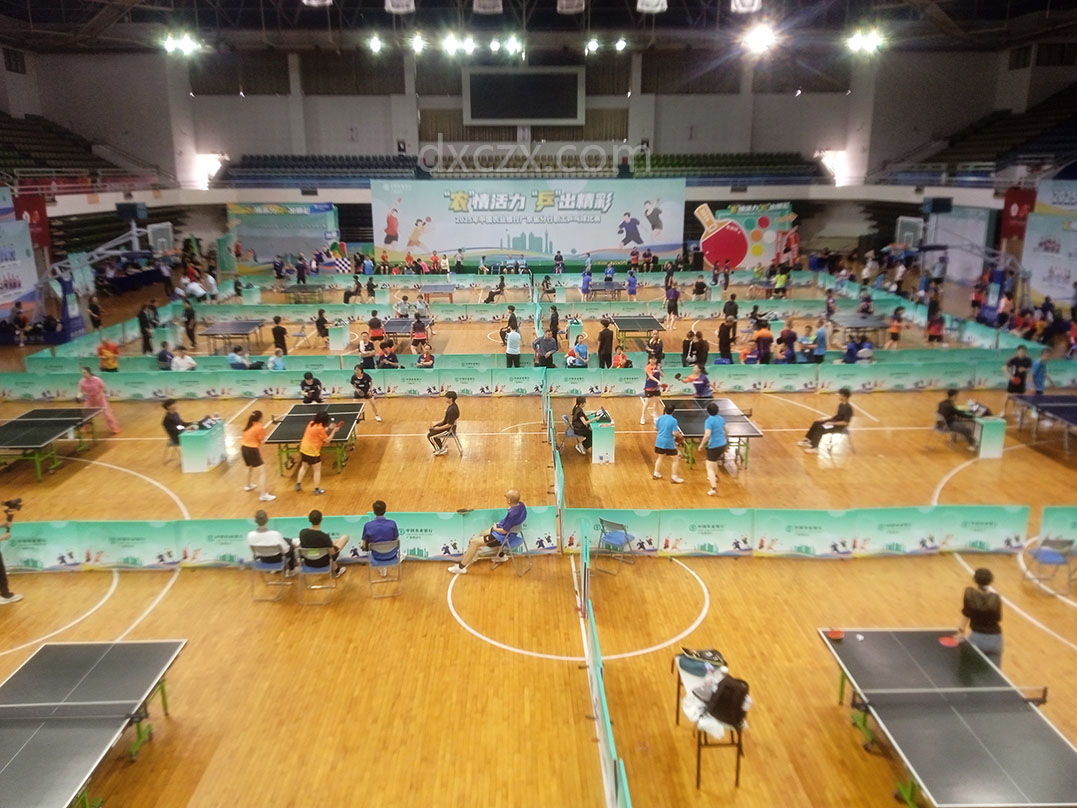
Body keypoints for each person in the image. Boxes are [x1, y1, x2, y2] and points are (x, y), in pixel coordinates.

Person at [448, 489, 527, 574]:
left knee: (473, 543)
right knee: (483, 533)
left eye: (506, 497)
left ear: (509, 500)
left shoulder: (512, 515)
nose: (505, 498)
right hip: (511, 532)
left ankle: (461, 567)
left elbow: (504, 531)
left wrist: (495, 528)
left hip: (501, 536)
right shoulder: (521, 505)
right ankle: (501, 556)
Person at [956, 567, 1003, 664]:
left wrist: (961, 631)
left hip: (977, 639)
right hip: (996, 640)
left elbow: (966, 614)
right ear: (991, 581)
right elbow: (998, 618)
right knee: (993, 672)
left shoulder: (969, 594)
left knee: (969, 669)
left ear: (975, 580)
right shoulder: (996, 598)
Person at [295, 411, 341, 495]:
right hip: (312, 452)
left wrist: (329, 428)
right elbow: (327, 440)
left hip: (303, 449)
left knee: (304, 466)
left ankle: (298, 484)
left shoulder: (311, 423)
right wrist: (334, 431)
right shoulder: (320, 429)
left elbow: (318, 431)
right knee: (317, 470)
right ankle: (317, 489)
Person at [798, 387, 853, 453]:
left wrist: (832, 423)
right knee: (817, 423)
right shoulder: (841, 405)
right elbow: (837, 416)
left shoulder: (848, 408)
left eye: (840, 395)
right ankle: (809, 440)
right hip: (834, 422)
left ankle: (815, 447)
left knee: (821, 427)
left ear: (844, 396)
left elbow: (845, 423)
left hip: (839, 427)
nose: (838, 396)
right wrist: (826, 419)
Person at [299, 510, 349, 577]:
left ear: (309, 519)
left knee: (333, 542)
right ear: (321, 519)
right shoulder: (324, 537)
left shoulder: (302, 533)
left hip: (308, 562)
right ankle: (336, 569)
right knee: (345, 537)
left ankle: (336, 569)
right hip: (323, 563)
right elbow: (333, 553)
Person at [241, 411, 276, 501]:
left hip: (244, 448)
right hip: (252, 450)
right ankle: (263, 495)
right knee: (263, 472)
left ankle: (247, 485)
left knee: (249, 467)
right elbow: (262, 440)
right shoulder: (259, 427)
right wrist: (265, 438)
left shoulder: (249, 425)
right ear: (260, 418)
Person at [77, 367, 120, 434]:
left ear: (89, 372)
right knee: (86, 414)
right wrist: (78, 397)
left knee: (107, 414)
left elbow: (103, 387)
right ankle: (86, 428)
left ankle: (115, 428)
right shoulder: (82, 382)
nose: (83, 374)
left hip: (100, 398)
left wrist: (99, 395)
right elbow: (81, 391)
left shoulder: (97, 379)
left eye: (85, 372)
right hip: (90, 399)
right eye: (82, 373)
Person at [362, 500, 400, 575]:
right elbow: (398, 541)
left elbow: (363, 545)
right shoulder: (392, 524)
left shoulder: (368, 525)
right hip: (392, 555)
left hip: (376, 556)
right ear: (385, 510)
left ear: (374, 511)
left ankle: (382, 567)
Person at [699, 401, 728, 496]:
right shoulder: (721, 419)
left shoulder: (709, 421)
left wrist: (701, 445)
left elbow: (707, 435)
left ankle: (713, 488)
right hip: (723, 444)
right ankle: (716, 476)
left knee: (709, 467)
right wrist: (726, 441)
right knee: (714, 460)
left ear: (708, 411)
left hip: (714, 446)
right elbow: (727, 431)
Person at [653, 402, 684, 483]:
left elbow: (655, 428)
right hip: (668, 442)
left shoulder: (660, 418)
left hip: (659, 441)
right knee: (675, 459)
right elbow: (674, 433)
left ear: (665, 410)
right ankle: (674, 477)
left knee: (660, 457)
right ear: (673, 411)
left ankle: (656, 473)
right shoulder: (673, 420)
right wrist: (680, 435)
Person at [428, 390, 460, 456]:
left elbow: (449, 424)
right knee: (431, 430)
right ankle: (441, 446)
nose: (445, 399)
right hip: (447, 427)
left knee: (430, 436)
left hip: (449, 430)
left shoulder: (452, 410)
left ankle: (440, 449)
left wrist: (438, 428)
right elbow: (444, 421)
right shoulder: (451, 406)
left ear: (450, 399)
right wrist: (435, 425)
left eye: (446, 397)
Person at [161, 399, 189, 464]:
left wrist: (193, 423)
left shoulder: (176, 414)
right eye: (173, 404)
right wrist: (184, 428)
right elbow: (175, 428)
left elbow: (182, 423)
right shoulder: (167, 419)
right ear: (168, 407)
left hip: (181, 433)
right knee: (193, 439)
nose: (176, 405)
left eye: (175, 403)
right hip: (176, 438)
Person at [641, 358, 663, 425]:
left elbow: (662, 375)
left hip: (656, 387)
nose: (653, 360)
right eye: (651, 359)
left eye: (654, 359)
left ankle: (654, 414)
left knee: (657, 401)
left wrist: (659, 369)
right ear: (649, 360)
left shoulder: (657, 367)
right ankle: (643, 417)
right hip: (649, 387)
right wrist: (658, 381)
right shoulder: (648, 367)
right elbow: (650, 376)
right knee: (647, 402)